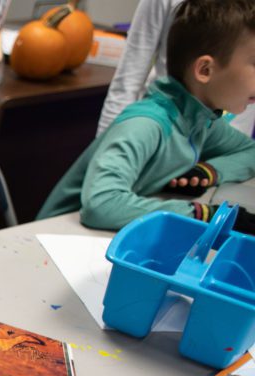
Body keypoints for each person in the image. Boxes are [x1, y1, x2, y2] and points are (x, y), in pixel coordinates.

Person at [37, 0, 255, 231]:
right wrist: (199, 215)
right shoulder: (145, 124)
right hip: (51, 242)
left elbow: (250, 152)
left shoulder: (200, 122)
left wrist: (208, 172)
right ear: (204, 70)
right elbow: (100, 204)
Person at [97, 0, 255, 137]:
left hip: (226, 153)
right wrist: (105, 144)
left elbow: (243, 154)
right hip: (165, 131)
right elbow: (127, 81)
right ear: (204, 69)